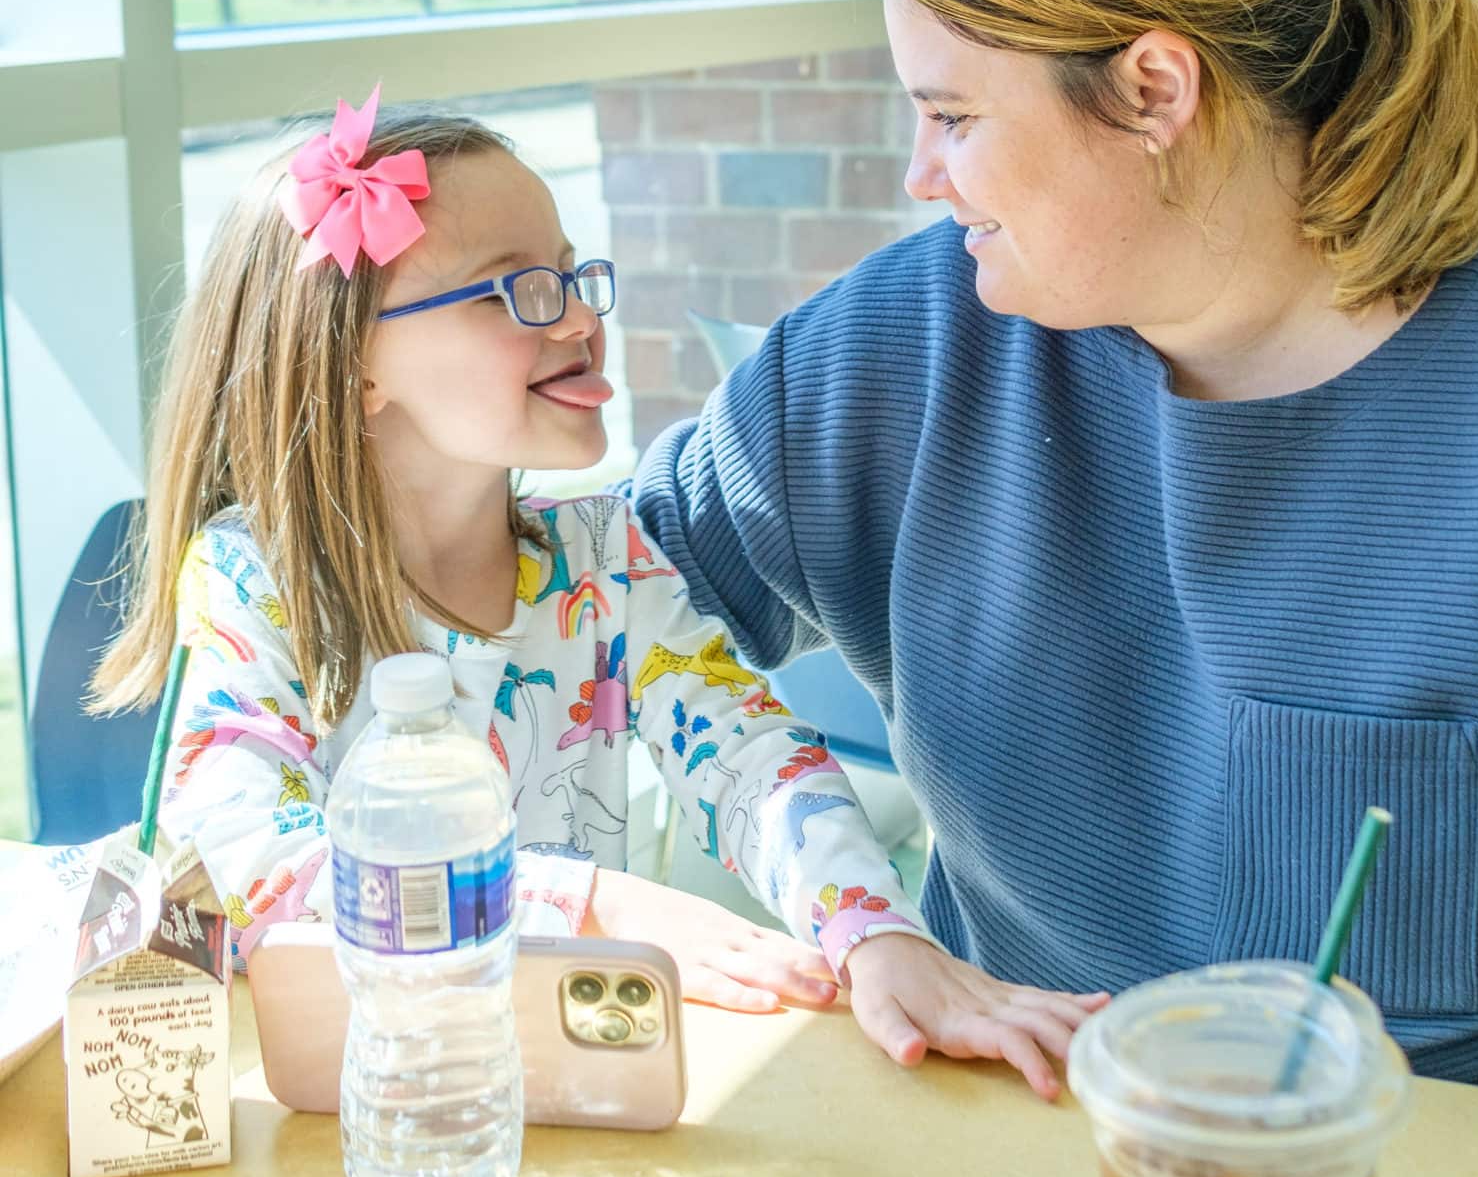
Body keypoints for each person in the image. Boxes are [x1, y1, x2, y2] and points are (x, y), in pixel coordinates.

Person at [634, 0, 1478, 1122]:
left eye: (954, 116)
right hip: (1004, 1164)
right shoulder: (909, 343)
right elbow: (582, 602)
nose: (920, 175)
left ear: (1152, 88)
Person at [95, 90, 1101, 1093]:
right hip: (365, 1108)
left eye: (573, 274)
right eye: (513, 289)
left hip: (581, 1084)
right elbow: (254, 866)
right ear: (357, 364)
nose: (578, 316)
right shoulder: (252, 585)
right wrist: (598, 907)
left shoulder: (607, 557)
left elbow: (751, 759)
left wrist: (875, 934)